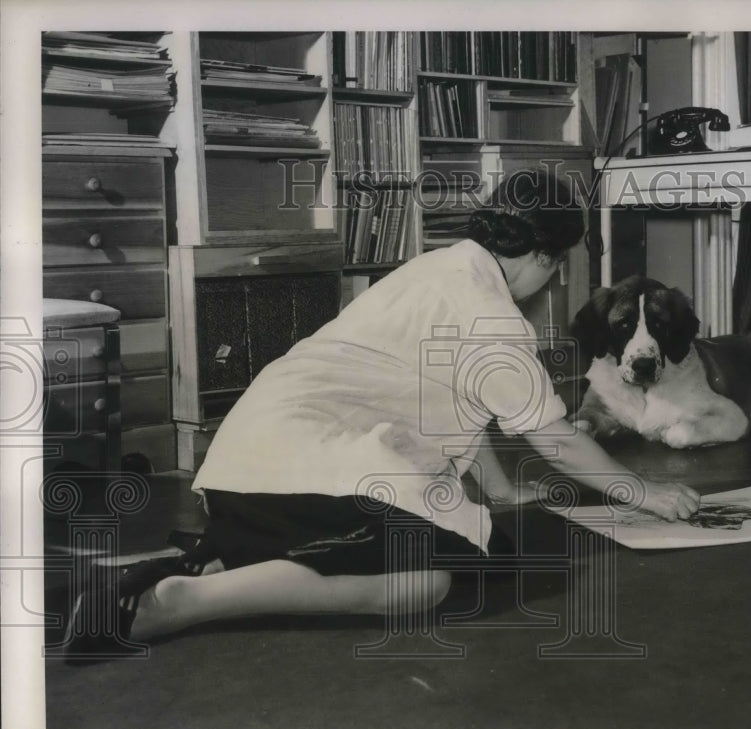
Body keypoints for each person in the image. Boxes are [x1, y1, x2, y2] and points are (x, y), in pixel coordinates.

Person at [63, 169, 700, 657]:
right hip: (305, 470)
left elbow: (455, 395)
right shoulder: (494, 318)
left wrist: (501, 490)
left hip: (242, 469)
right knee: (427, 582)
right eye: (557, 266)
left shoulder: (431, 270)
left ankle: (218, 561)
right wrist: (645, 492)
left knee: (467, 541)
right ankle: (185, 601)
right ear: (543, 256)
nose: (554, 280)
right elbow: (554, 439)